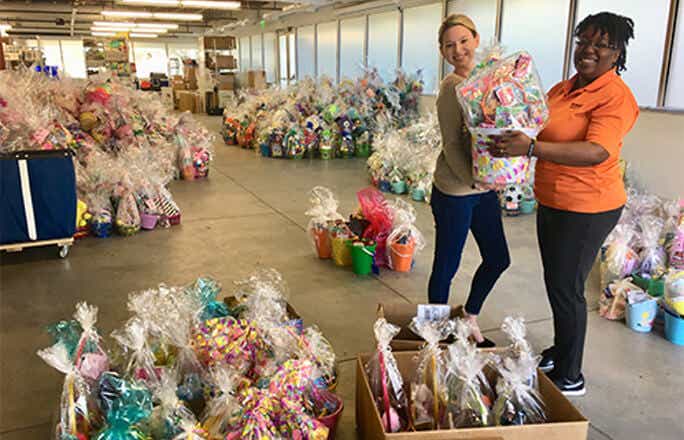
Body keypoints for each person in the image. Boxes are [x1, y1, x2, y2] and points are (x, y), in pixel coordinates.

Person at [493, 12, 639, 396]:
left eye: (601, 44)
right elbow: (535, 120)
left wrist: (534, 148)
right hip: (554, 198)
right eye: (583, 40)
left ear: (617, 52)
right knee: (556, 282)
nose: (589, 50)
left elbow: (596, 151)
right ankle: (561, 350)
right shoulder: (562, 89)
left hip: (589, 206)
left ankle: (571, 375)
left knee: (568, 287)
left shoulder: (615, 97)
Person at [429, 14, 511, 347]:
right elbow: (450, 143)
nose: (458, 50)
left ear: (476, 39)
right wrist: (475, 181)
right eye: (450, 45)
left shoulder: (490, 79)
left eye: (464, 41)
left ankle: (469, 315)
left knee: (498, 258)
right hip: (455, 189)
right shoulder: (451, 88)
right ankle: (432, 334)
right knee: (447, 265)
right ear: (442, 52)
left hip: (483, 187)